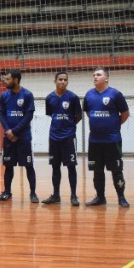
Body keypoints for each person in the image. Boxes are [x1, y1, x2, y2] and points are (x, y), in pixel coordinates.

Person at [84, 68, 131, 208]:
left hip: (112, 140)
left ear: (106, 79)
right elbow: (88, 112)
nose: (95, 77)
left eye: (98, 74)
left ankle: (121, 197)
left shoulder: (115, 94)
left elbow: (125, 114)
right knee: (97, 171)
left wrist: (114, 125)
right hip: (95, 141)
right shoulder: (88, 95)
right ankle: (100, 197)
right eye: (94, 75)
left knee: (116, 170)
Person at [0, 70, 38, 202]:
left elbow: (28, 116)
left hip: (23, 137)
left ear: (15, 80)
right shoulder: (4, 96)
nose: (5, 81)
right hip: (9, 138)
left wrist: (15, 131)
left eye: (8, 79)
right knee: (8, 165)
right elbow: (1, 115)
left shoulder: (27, 95)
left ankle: (32, 193)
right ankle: (7, 192)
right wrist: (8, 131)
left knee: (29, 165)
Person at [43, 70, 83, 206]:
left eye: (65, 80)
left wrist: (69, 126)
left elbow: (78, 116)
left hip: (68, 138)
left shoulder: (73, 97)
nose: (63, 82)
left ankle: (73, 196)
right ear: (55, 81)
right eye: (60, 79)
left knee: (71, 167)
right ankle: (56, 195)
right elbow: (51, 114)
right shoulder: (49, 98)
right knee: (55, 167)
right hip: (54, 137)